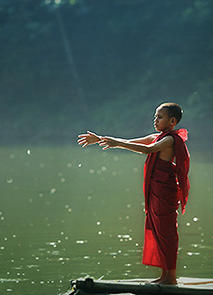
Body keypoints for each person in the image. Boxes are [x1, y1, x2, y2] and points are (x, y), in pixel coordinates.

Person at [77, 102, 190, 285]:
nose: (155, 120)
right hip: (155, 189)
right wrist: (100, 139)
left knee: (167, 232)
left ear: (172, 121)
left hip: (165, 191)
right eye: (155, 116)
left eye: (160, 117)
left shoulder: (169, 140)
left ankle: (171, 278)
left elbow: (147, 150)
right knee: (159, 230)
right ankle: (164, 276)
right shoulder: (157, 136)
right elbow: (130, 141)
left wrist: (116, 144)